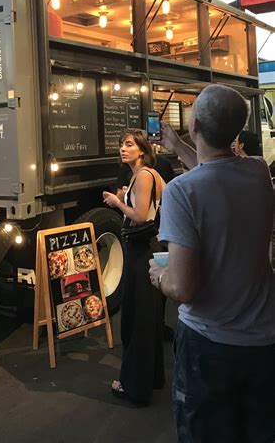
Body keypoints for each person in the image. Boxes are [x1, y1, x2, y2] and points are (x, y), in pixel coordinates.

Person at [149, 84, 275, 442]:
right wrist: (177, 147)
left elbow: (183, 288)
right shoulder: (257, 172)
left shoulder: (180, 192)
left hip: (208, 346)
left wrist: (159, 276)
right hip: (263, 342)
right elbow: (214, 173)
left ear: (195, 125)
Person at [103, 129, 165, 405]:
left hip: (140, 253)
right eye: (121, 145)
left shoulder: (142, 176)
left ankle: (135, 388)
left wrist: (117, 202)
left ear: (142, 149)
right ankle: (152, 378)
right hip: (147, 250)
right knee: (147, 319)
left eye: (129, 144)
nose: (123, 149)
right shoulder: (149, 174)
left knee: (137, 321)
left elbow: (140, 216)